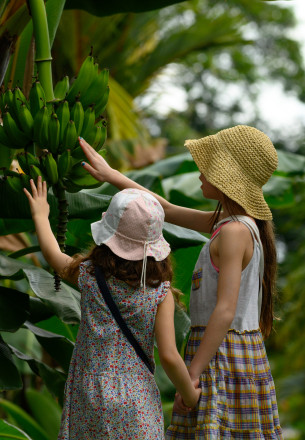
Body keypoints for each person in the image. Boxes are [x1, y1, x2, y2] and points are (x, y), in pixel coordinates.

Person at [78, 124, 283, 439]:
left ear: (228, 177)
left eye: (209, 165)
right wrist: (113, 175)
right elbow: (168, 210)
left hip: (222, 352)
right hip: (219, 349)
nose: (200, 171)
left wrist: (192, 374)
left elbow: (225, 310)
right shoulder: (229, 222)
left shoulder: (233, 231)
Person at [23, 181, 201, 440]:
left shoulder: (90, 277)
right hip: (136, 398)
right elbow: (170, 357)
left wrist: (40, 214)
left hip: (89, 393)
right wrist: (190, 395)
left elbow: (52, 255)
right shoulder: (160, 293)